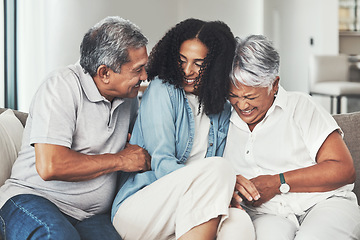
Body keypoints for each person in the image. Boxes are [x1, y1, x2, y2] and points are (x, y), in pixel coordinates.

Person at [0, 16, 151, 240]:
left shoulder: (127, 99)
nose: (144, 77)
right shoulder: (60, 86)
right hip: (32, 199)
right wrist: (120, 160)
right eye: (138, 70)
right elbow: (51, 165)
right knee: (57, 236)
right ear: (104, 73)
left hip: (91, 216)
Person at [111, 18, 255, 240]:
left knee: (240, 224)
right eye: (182, 60)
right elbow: (161, 163)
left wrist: (222, 187)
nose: (188, 70)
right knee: (220, 169)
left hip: (193, 206)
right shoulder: (162, 90)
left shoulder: (223, 107)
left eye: (199, 63)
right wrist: (223, 181)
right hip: (141, 206)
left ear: (216, 65)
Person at [224, 34, 360, 239]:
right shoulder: (221, 122)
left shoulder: (301, 107)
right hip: (266, 215)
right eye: (234, 96)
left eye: (251, 97)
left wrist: (277, 182)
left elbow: (343, 169)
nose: (242, 105)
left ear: (274, 84)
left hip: (324, 204)